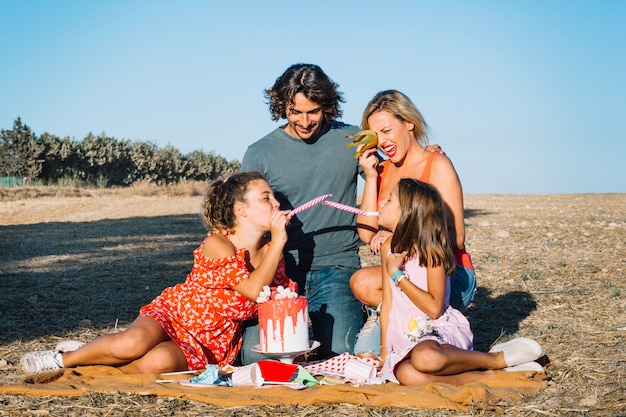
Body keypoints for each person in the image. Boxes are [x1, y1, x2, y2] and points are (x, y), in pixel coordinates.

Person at [21, 172, 293, 374]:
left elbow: (275, 300)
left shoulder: (271, 253)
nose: (276, 203)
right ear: (240, 209)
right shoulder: (218, 243)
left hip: (212, 341)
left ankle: (94, 364)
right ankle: (63, 358)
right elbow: (253, 290)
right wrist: (280, 239)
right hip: (176, 316)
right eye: (266, 197)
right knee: (132, 344)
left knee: (156, 363)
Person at [239, 63, 365, 361]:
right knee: (259, 361)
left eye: (314, 111)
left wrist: (426, 153)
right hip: (280, 271)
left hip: (338, 267)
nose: (305, 121)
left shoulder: (353, 139)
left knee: (341, 358)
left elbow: (395, 178)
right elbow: (244, 223)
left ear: (327, 106)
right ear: (282, 105)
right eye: (295, 111)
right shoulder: (259, 153)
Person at [376, 178, 543, 385]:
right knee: (407, 375)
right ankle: (491, 377)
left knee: (425, 357)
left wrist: (397, 276)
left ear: (408, 212)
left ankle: (494, 360)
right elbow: (388, 306)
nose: (381, 202)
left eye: (390, 200)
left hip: (435, 332)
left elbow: (434, 308)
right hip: (404, 337)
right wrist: (384, 353)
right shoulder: (387, 249)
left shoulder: (430, 251)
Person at [351, 90, 476, 358]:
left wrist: (398, 237)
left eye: (387, 130)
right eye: (376, 136)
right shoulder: (382, 170)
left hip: (446, 270)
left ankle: (440, 326)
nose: (383, 142)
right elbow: (365, 233)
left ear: (409, 122)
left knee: (410, 353)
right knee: (361, 284)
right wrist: (371, 177)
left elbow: (456, 239)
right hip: (405, 270)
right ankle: (393, 313)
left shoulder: (437, 164)